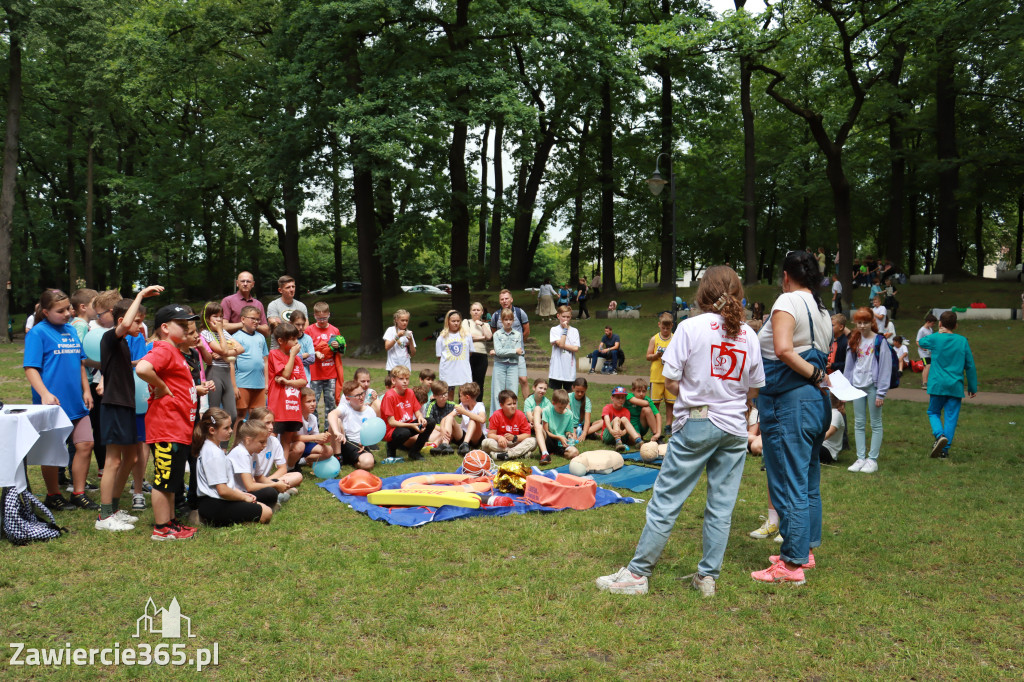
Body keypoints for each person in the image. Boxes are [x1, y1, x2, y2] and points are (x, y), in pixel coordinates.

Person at [597, 265, 764, 597]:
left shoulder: (690, 328)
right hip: (733, 429)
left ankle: (638, 574)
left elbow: (671, 379)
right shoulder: (749, 335)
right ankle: (707, 578)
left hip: (698, 423)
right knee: (721, 505)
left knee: (666, 499)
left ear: (703, 292)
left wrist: (697, 393)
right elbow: (754, 389)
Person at [750, 251, 832, 586]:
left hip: (790, 405)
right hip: (816, 404)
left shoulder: (787, 302)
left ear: (786, 276)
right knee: (808, 481)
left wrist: (812, 374)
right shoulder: (823, 310)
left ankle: (792, 564)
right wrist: (817, 377)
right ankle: (805, 551)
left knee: (789, 481)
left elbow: (783, 350)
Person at [95, 286, 163, 531]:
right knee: (113, 461)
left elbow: (125, 364)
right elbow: (123, 325)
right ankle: (104, 517)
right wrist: (140, 296)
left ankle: (113, 508)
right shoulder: (109, 337)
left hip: (126, 405)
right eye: (137, 322)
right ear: (123, 321)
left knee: (133, 457)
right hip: (114, 405)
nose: (140, 326)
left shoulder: (123, 343)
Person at [23, 289, 97, 512]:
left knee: (86, 444)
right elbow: (31, 368)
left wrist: (86, 390)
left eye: (69, 309)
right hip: (52, 405)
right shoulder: (38, 333)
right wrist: (44, 394)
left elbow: (80, 363)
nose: (67, 313)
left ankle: (78, 493)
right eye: (61, 310)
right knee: (53, 451)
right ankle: (53, 495)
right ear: (45, 312)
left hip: (76, 401)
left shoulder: (71, 330)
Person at [136, 304, 202, 540]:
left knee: (173, 479)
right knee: (164, 480)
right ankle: (162, 528)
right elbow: (143, 368)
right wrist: (162, 387)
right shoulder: (164, 348)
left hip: (178, 427)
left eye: (187, 325)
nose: (186, 328)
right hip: (166, 427)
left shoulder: (176, 351)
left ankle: (171, 522)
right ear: (165, 327)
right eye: (181, 325)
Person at [194, 409, 273, 527]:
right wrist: (243, 498)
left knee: (263, 501)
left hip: (213, 502)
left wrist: (242, 494)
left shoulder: (211, 447)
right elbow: (222, 490)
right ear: (212, 430)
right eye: (226, 428)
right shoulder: (214, 454)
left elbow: (225, 486)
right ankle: (212, 520)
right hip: (214, 505)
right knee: (266, 513)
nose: (231, 431)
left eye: (230, 427)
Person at [918, 311, 977, 459]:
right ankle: (944, 450)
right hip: (955, 385)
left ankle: (939, 436)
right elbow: (969, 365)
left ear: (940, 324)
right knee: (951, 417)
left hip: (938, 384)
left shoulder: (936, 338)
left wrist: (938, 332)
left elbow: (922, 342)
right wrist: (972, 387)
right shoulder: (962, 341)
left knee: (933, 412)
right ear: (956, 325)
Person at [843, 307, 891, 473]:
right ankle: (860, 458)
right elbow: (849, 367)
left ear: (872, 322)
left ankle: (872, 460)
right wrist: (846, 388)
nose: (862, 326)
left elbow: (885, 367)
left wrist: (881, 392)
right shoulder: (855, 340)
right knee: (859, 423)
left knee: (876, 424)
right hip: (857, 386)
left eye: (865, 322)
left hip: (873, 386)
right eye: (859, 323)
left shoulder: (880, 341)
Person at [266, 322, 307, 464]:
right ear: (281, 341)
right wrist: (292, 355)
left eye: (297, 338)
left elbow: (303, 382)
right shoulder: (274, 354)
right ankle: (266, 468)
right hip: (278, 407)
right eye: (293, 339)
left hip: (293, 408)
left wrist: (288, 383)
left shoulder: (297, 359)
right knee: (271, 438)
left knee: (287, 441)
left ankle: (283, 470)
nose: (297, 342)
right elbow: (286, 373)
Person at [198, 301, 240, 432]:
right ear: (207, 318)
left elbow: (240, 348)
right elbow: (224, 349)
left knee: (232, 414)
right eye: (215, 316)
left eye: (221, 316)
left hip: (226, 372)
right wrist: (221, 332)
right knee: (213, 413)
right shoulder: (205, 333)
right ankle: (208, 443)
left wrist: (224, 355)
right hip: (214, 372)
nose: (219, 319)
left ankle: (222, 446)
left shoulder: (224, 332)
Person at [230, 304, 269, 433]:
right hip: (242, 382)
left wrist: (266, 382)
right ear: (242, 319)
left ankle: (255, 443)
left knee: (258, 415)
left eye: (258, 319)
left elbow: (265, 360)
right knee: (240, 414)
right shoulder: (236, 337)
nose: (256, 322)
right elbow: (231, 362)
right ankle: (236, 443)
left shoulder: (261, 337)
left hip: (259, 383)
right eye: (252, 319)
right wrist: (234, 386)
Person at [249, 407, 304, 492]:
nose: (271, 427)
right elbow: (248, 480)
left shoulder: (273, 441)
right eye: (267, 423)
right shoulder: (248, 443)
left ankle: (276, 489)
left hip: (264, 480)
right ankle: (279, 490)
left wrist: (270, 481)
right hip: (249, 483)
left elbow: (283, 468)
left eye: (272, 423)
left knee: (297, 476)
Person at [381, 365, 430, 460]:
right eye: (401, 379)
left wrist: (420, 418)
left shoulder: (410, 392)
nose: (405, 381)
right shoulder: (389, 396)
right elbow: (391, 422)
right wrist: (412, 425)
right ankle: (391, 447)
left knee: (430, 422)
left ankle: (415, 452)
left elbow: (417, 411)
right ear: (393, 381)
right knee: (404, 433)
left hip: (408, 425)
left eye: (407, 379)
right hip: (392, 430)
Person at [489, 289, 530, 399]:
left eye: (506, 298)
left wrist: (518, 344)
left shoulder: (520, 312)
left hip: (518, 353)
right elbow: (494, 332)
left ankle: (528, 409)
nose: (504, 301)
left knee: (523, 379)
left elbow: (526, 331)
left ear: (511, 299)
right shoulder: (496, 315)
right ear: (499, 301)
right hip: (502, 356)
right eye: (502, 299)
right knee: (503, 384)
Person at [328, 380, 377, 470]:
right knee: (336, 421)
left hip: (361, 445)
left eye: (362, 393)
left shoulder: (369, 411)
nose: (361, 397)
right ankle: (338, 457)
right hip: (345, 442)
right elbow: (331, 414)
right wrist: (336, 432)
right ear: (348, 398)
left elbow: (373, 431)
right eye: (357, 395)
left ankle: (352, 461)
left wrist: (366, 442)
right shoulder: (345, 407)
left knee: (368, 463)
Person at [306, 300, 341, 423]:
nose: (322, 321)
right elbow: (305, 349)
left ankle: (329, 427)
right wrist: (315, 352)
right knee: (312, 401)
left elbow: (342, 349)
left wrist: (338, 345)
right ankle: (315, 427)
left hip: (330, 373)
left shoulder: (334, 330)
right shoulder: (309, 330)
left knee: (330, 402)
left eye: (324, 318)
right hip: (315, 373)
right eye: (319, 318)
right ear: (314, 316)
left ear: (329, 315)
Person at [482, 389, 537, 461]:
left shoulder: (520, 415)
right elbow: (490, 434)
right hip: (501, 444)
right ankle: (520, 454)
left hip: (516, 443)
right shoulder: (496, 415)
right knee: (485, 443)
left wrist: (515, 437)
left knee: (534, 441)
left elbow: (527, 435)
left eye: (514, 403)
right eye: (509, 404)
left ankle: (506, 455)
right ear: (501, 405)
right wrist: (499, 438)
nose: (513, 406)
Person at [489, 308, 523, 415]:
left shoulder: (517, 334)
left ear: (513, 321)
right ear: (501, 321)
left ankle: (511, 417)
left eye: (510, 319)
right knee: (497, 392)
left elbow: (518, 352)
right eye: (506, 319)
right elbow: (500, 351)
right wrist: (514, 351)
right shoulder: (497, 334)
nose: (508, 322)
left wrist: (500, 352)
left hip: (513, 366)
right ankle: (495, 417)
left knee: (512, 391)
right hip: (499, 365)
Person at [646, 312, 675, 430]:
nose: (665, 330)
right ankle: (656, 426)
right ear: (659, 325)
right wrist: (656, 355)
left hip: (670, 376)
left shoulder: (675, 339)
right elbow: (648, 356)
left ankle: (668, 425)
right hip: (656, 376)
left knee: (670, 403)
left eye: (668, 328)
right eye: (663, 328)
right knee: (655, 403)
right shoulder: (654, 339)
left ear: (672, 326)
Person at [291, 387, 332, 466]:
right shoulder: (295, 417)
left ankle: (302, 461)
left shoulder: (313, 418)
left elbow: (317, 439)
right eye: (308, 402)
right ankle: (289, 467)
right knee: (300, 445)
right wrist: (315, 437)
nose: (313, 404)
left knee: (329, 451)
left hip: (305, 445)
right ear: (299, 403)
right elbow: (293, 438)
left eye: (314, 401)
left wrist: (323, 439)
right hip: (293, 445)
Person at [435, 310, 472, 399]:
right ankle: (450, 412)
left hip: (463, 370)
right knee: (449, 395)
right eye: (453, 321)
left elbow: (469, 352)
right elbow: (440, 357)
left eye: (458, 321)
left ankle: (463, 412)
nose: (456, 323)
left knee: (465, 394)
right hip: (448, 371)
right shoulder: (442, 337)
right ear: (448, 321)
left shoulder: (467, 336)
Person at [265, 275, 308, 349]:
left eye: (293, 287)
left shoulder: (301, 306)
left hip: (298, 349)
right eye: (288, 287)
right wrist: (296, 328)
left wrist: (283, 326)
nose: (292, 289)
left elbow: (305, 328)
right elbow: (277, 329)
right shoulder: (273, 305)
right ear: (280, 290)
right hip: (278, 350)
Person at [220, 271, 268, 336]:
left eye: (248, 281)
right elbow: (222, 326)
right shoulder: (228, 301)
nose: (245, 284)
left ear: (253, 284)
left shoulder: (258, 304)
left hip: (254, 342)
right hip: (233, 343)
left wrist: (253, 324)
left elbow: (266, 331)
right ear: (237, 283)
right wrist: (245, 323)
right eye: (242, 281)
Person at [539, 388, 579, 464]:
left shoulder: (569, 414)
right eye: (560, 407)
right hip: (549, 440)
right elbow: (546, 431)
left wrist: (569, 435)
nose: (562, 409)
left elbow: (568, 431)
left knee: (575, 452)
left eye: (564, 407)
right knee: (540, 429)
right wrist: (559, 437)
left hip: (561, 442)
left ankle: (558, 452)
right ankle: (545, 452)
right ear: (553, 403)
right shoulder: (547, 410)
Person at [461, 302, 492, 390]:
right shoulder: (466, 322)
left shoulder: (485, 325)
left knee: (479, 383)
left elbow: (489, 336)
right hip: (468, 355)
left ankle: (478, 403)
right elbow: (467, 337)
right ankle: (463, 403)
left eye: (478, 310)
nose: (476, 312)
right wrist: (483, 337)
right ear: (470, 312)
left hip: (481, 355)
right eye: (474, 310)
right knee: (466, 383)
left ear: (482, 312)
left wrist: (481, 325)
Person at [548, 305, 580, 391]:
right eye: (563, 317)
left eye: (568, 317)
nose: (565, 319)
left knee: (569, 394)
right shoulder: (554, 330)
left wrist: (563, 345)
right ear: (558, 316)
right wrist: (565, 330)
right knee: (557, 395)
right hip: (557, 369)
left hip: (569, 369)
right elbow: (561, 344)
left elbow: (576, 348)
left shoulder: (574, 331)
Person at [601, 386, 641, 453]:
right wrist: (611, 430)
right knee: (617, 418)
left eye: (622, 398)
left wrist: (624, 432)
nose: (620, 400)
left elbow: (627, 426)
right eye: (618, 397)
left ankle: (638, 441)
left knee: (624, 419)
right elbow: (606, 420)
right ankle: (618, 442)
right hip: (608, 435)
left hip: (622, 436)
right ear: (612, 398)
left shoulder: (626, 411)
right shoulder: (607, 407)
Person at [452, 382, 487, 455]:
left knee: (473, 420)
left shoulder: (480, 406)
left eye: (460, 396)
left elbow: (482, 419)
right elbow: (450, 416)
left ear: (467, 397)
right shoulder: (462, 405)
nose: (459, 398)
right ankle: (444, 444)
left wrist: (464, 412)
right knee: (450, 419)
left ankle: (465, 444)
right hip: (464, 434)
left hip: (477, 438)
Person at [626, 378, 662, 443]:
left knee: (647, 409)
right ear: (632, 390)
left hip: (642, 425)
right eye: (638, 391)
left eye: (644, 391)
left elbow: (658, 415)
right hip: (631, 426)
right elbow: (644, 403)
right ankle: (634, 438)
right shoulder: (629, 396)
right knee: (634, 440)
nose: (641, 394)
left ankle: (656, 436)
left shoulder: (647, 399)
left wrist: (658, 433)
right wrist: (646, 403)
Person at [817, 394, 846, 463]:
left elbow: (829, 433)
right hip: (820, 445)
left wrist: (813, 442)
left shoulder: (836, 414)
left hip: (828, 450)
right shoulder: (825, 411)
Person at [289, 311, 316, 383]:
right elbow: (285, 359)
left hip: (305, 378)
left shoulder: (308, 339)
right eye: (297, 324)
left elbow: (312, 359)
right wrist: (302, 356)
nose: (301, 327)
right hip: (291, 378)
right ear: (290, 323)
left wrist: (295, 359)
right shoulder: (287, 339)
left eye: (303, 324)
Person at [916, 313, 937, 390]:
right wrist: (922, 348)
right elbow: (917, 341)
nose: (933, 324)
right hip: (923, 353)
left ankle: (929, 381)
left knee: (930, 366)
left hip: (930, 352)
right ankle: (924, 382)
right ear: (928, 322)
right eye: (932, 323)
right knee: (927, 366)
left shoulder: (930, 329)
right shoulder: (922, 330)